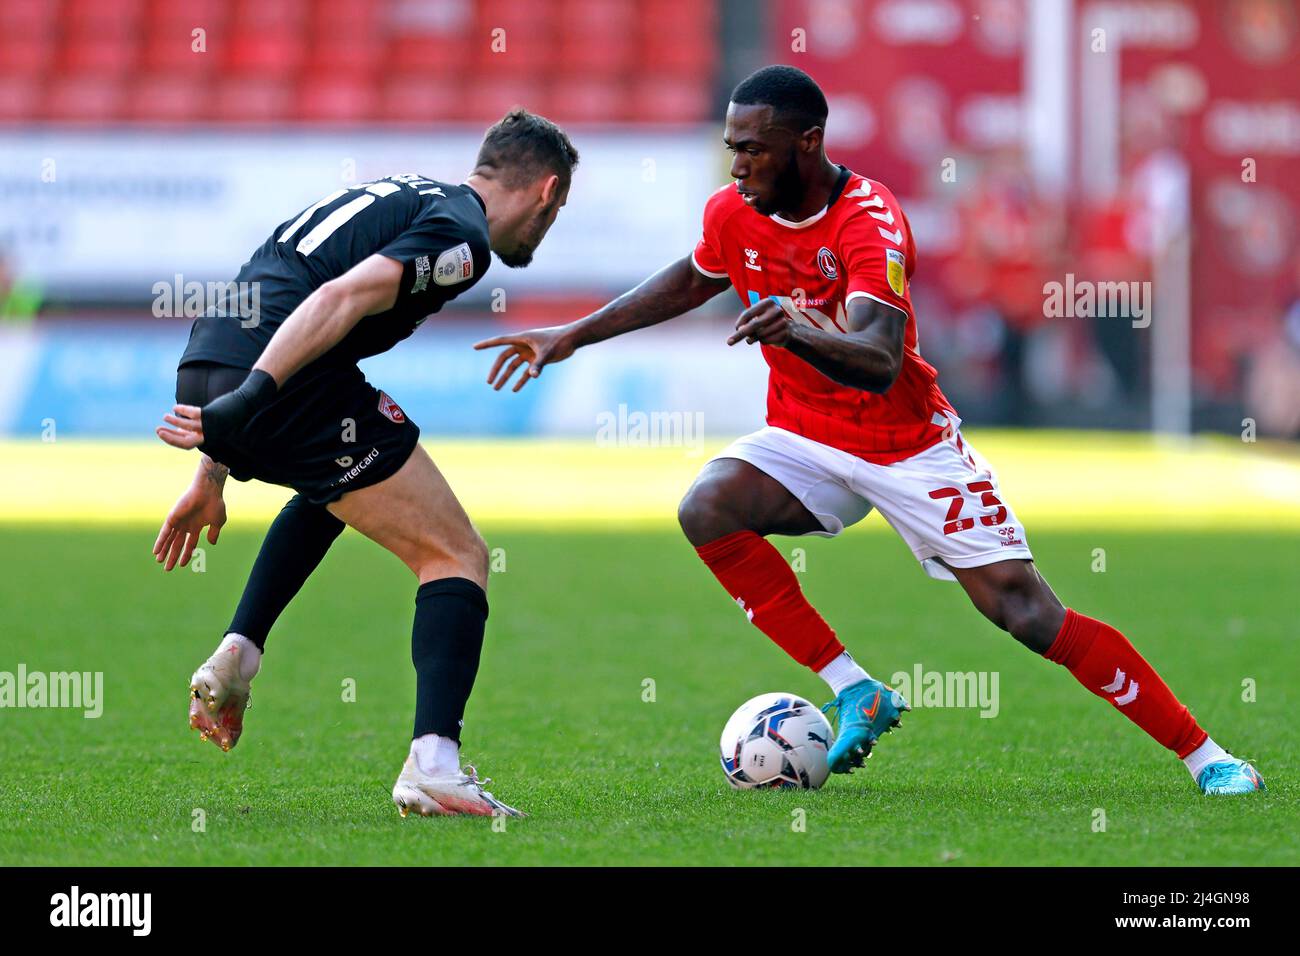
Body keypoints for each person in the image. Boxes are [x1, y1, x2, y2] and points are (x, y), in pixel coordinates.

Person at [473, 67, 1263, 796]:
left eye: (752, 149)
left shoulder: (868, 221)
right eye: (730, 149)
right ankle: (856, 688)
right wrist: (569, 335)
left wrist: (800, 329)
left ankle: (1208, 757)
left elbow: (881, 359)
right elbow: (690, 277)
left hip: (906, 445)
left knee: (1026, 613)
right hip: (805, 437)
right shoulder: (733, 212)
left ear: (805, 143)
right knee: (705, 507)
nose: (737, 165)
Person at [153, 109, 579, 816]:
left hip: (208, 359)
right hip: (272, 375)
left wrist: (212, 470)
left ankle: (239, 653)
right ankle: (434, 765)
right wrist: (253, 399)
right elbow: (338, 297)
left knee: (340, 482)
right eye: (555, 213)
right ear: (547, 191)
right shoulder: (462, 237)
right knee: (456, 554)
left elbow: (277, 283)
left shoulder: (406, 192)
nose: (547, 230)